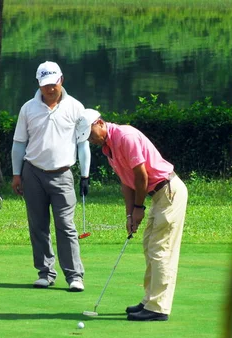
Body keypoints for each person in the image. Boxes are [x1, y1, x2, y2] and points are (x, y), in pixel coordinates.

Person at [76, 109, 188, 321]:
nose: (91, 140)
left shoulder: (125, 137)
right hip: (158, 195)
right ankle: (149, 300)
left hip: (168, 191)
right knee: (149, 246)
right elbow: (127, 184)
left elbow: (141, 175)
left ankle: (158, 308)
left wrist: (139, 208)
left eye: (91, 134)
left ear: (99, 122)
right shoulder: (108, 148)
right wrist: (130, 215)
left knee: (160, 249)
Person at [11, 61, 90, 292]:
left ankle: (74, 275)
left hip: (63, 173)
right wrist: (17, 174)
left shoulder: (76, 107)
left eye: (53, 83)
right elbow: (19, 143)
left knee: (66, 225)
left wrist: (85, 175)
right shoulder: (28, 108)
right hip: (33, 172)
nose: (50, 88)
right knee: (38, 225)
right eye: (45, 84)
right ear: (39, 83)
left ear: (61, 80)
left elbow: (83, 143)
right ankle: (45, 272)